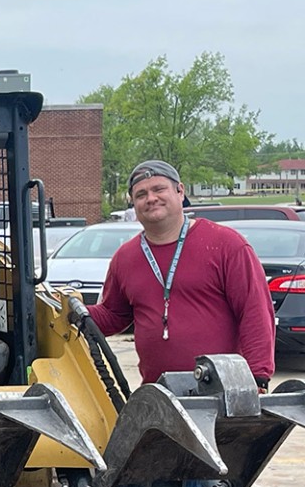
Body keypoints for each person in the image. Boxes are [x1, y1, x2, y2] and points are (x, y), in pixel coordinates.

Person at [86, 159, 275, 388]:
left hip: (222, 390)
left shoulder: (226, 245)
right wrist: (65, 309)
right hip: (159, 395)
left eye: (159, 189)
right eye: (141, 194)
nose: (151, 198)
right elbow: (114, 315)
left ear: (180, 191)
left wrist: (257, 377)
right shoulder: (125, 258)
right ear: (134, 204)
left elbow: (255, 311)